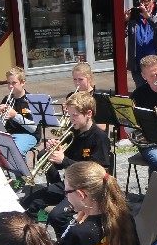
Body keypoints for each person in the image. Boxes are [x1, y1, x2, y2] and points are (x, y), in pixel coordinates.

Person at [20, 91, 112, 235]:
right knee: (27, 202)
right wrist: (55, 152)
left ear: (89, 113)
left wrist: (64, 160)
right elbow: (59, 165)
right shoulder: (74, 132)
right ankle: (30, 236)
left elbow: (96, 172)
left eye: (75, 115)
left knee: (57, 216)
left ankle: (67, 242)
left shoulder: (99, 137)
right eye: (69, 115)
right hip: (69, 185)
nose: (71, 119)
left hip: (87, 191)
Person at [55, 161, 139, 245]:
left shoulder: (77, 232)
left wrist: (74, 224)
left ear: (81, 195)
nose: (66, 196)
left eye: (66, 192)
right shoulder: (125, 217)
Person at [0, 66, 39, 156]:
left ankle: (19, 166)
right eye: (8, 83)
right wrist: (0, 116)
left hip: (28, 134)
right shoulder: (7, 99)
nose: (10, 86)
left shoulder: (31, 100)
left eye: (14, 83)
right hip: (10, 134)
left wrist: (15, 115)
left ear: (23, 83)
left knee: (16, 151)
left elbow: (33, 128)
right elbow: (1, 125)